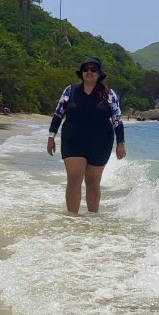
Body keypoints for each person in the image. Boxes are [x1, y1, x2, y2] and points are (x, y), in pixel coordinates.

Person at [47, 57, 126, 213]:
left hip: (100, 142)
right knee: (74, 178)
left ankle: (92, 219)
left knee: (93, 182)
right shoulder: (70, 91)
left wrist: (121, 143)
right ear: (82, 72)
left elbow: (117, 119)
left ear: (99, 74)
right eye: (86, 69)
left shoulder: (108, 94)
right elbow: (58, 114)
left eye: (93, 69)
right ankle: (72, 218)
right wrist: (51, 137)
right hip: (73, 140)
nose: (89, 72)